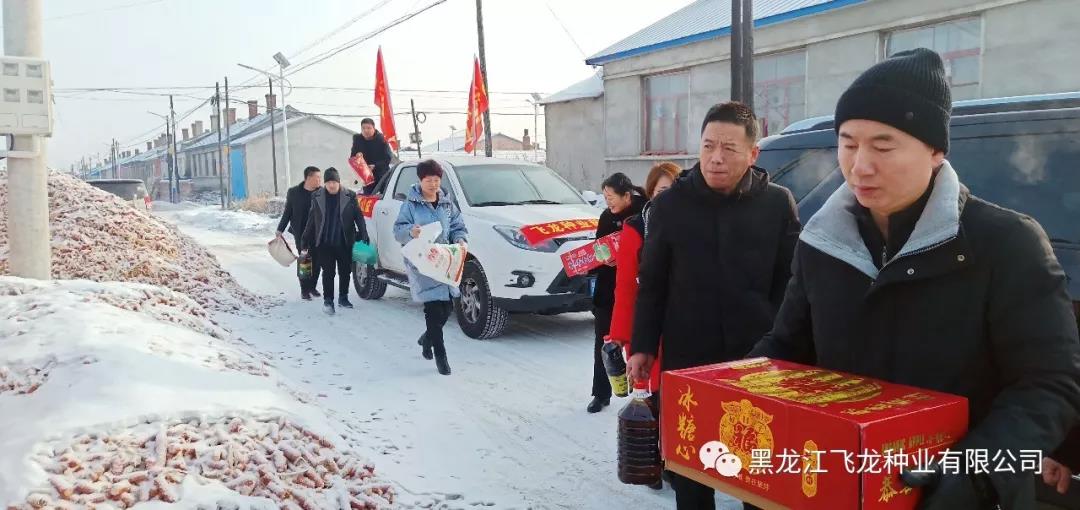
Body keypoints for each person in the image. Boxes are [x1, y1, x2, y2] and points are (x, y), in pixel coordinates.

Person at [747, 48, 1080, 509]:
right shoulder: (822, 243)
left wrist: (977, 474)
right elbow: (787, 347)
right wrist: (717, 392)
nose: (860, 165)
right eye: (848, 144)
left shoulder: (1006, 243)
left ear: (936, 150)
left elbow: (1050, 383)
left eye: (883, 146)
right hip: (841, 484)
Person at [627, 102, 800, 510]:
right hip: (689, 357)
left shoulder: (777, 203)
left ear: (753, 153)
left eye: (729, 148)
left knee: (759, 470)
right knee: (691, 468)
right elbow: (653, 283)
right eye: (708, 146)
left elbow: (792, 283)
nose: (716, 158)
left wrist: (785, 343)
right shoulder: (670, 205)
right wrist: (643, 346)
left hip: (756, 357)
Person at [607, 162, 680, 491]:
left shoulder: (691, 224)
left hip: (684, 325)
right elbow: (625, 286)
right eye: (661, 191)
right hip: (650, 327)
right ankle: (656, 460)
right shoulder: (637, 227)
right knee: (653, 396)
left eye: (672, 191)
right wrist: (622, 336)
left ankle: (679, 460)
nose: (666, 197)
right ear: (650, 194)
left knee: (682, 398)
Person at [393, 160, 468, 376]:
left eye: (436, 180)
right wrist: (411, 231)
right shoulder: (411, 204)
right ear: (420, 180)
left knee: (447, 308)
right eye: (428, 180)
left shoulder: (446, 203)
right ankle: (441, 357)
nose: (433, 184)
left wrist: (460, 239)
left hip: (445, 260)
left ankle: (427, 339)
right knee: (433, 309)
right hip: (423, 263)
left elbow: (457, 225)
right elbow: (398, 230)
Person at [587, 173, 646, 414]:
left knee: (640, 343)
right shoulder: (606, 217)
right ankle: (601, 394)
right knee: (604, 344)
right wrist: (604, 259)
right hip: (608, 289)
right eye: (605, 197)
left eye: (611, 197)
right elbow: (598, 248)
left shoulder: (645, 212)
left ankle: (644, 393)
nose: (608, 202)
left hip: (636, 289)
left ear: (627, 195)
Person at [301, 167, 368, 315]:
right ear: (325, 183)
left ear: (339, 182)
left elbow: (358, 216)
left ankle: (343, 298)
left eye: (334, 182)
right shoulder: (317, 196)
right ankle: (328, 301)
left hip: (344, 241)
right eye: (328, 182)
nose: (331, 185)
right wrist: (305, 238)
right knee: (328, 272)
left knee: (345, 271)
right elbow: (312, 219)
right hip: (325, 243)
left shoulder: (350, 196)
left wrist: (363, 232)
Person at [276, 166, 322, 300]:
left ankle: (312, 287)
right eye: (317, 177)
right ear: (308, 178)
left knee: (317, 262)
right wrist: (280, 229)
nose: (320, 180)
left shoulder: (322, 192)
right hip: (301, 234)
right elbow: (287, 212)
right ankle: (304, 290)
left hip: (318, 233)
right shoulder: (294, 192)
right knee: (305, 261)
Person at [351, 118, 395, 194]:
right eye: (363, 128)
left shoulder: (381, 139)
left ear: (374, 129)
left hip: (382, 175)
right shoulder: (358, 140)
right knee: (368, 197)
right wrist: (357, 157)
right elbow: (353, 157)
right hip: (367, 176)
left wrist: (375, 166)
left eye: (368, 128)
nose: (366, 130)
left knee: (383, 195)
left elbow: (388, 158)